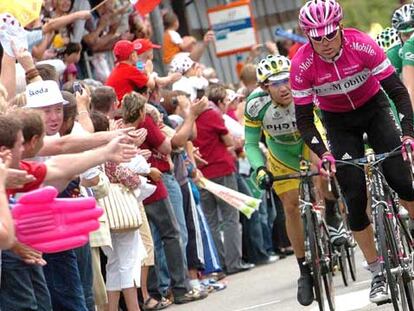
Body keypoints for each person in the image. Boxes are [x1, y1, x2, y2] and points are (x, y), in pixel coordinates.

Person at [291, 0, 414, 304]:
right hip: (338, 122)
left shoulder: (363, 45)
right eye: (316, 38)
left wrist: (409, 133)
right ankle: (378, 272)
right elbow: (305, 121)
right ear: (307, 36)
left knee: (402, 180)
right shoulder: (301, 64)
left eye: (330, 35)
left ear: (341, 28)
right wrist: (323, 153)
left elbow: (398, 91)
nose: (325, 43)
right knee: (355, 199)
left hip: (374, 108)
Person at [244, 54, 346, 306]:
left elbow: (319, 128)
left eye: (286, 79)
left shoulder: (303, 90)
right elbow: (250, 143)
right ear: (264, 87)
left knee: (323, 170)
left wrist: (323, 157)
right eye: (275, 83)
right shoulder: (255, 106)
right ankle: (303, 270)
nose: (284, 87)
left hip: (307, 141)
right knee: (289, 206)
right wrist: (259, 169)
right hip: (280, 153)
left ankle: (331, 212)